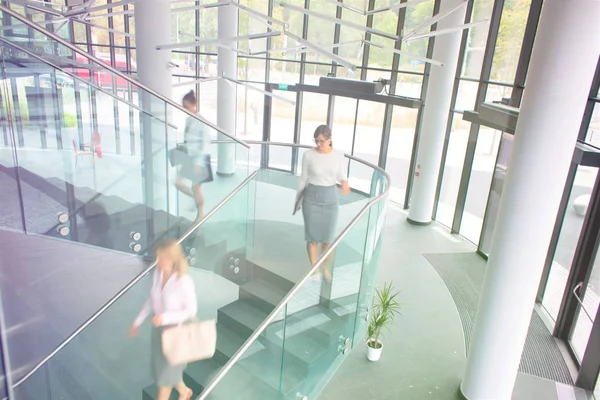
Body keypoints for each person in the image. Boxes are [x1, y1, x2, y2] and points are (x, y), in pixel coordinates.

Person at [129, 239, 197, 400]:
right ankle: (184, 391)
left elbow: (191, 310)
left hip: (177, 332)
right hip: (159, 331)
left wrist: (165, 317)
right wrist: (137, 321)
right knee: (163, 373)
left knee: (163, 384)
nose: (158, 261)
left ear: (172, 258)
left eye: (162, 257)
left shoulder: (184, 281)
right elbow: (151, 300)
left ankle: (182, 392)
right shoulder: (158, 274)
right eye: (157, 257)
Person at [297, 125, 350, 281]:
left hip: (330, 199)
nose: (318, 144)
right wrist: (298, 199)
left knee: (328, 239)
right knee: (312, 238)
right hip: (311, 198)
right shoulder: (308, 155)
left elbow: (341, 174)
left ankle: (325, 269)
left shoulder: (339, 155)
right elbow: (303, 178)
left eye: (322, 141)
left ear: (330, 139)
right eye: (316, 141)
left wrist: (345, 183)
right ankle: (314, 269)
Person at [175, 90, 212, 222]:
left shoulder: (202, 121)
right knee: (178, 183)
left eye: (186, 106)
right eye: (183, 106)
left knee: (196, 187)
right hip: (190, 157)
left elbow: (205, 144)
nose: (184, 109)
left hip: (200, 159)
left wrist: (198, 163)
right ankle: (196, 200)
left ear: (193, 104)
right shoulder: (189, 120)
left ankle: (200, 214)